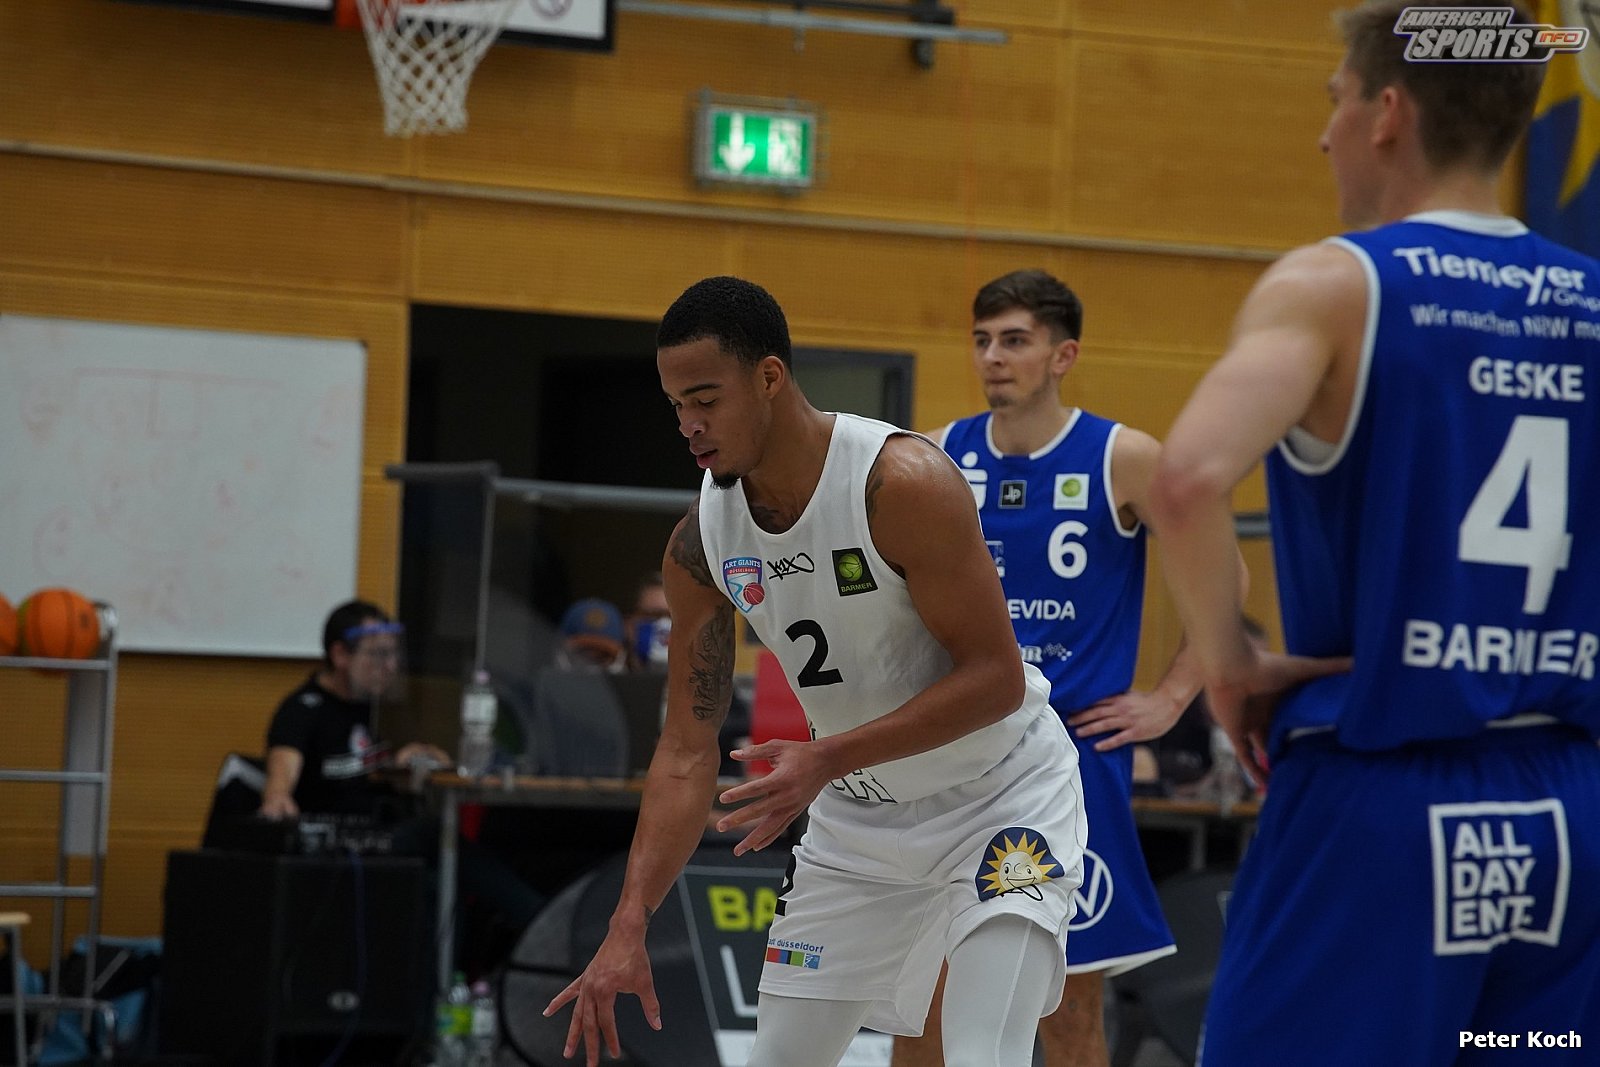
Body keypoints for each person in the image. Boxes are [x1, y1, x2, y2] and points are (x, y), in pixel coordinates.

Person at [1147, 2, 1600, 1062]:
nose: (1325, 133)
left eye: (1336, 101)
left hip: (1381, 792)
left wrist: (1229, 662)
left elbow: (1185, 479)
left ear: (1388, 112)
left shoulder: (1336, 284)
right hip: (1570, 807)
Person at [544, 276, 1088, 1067]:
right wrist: (630, 921)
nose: (689, 425)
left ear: (769, 377)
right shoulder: (701, 543)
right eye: (676, 405)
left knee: (982, 1054)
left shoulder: (900, 483)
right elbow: (686, 749)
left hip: (1000, 795)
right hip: (859, 820)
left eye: (706, 399)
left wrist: (827, 756)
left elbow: (996, 680)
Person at [897, 269, 1203, 1067]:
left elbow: (1221, 578)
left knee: (1065, 1007)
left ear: (1063, 355)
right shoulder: (935, 453)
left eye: (1014, 340)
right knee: (921, 1001)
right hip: (956, 750)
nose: (992, 357)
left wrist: (1172, 696)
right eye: (981, 340)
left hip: (1070, 755)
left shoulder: (1123, 456)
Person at [260, 599, 446, 818]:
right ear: (340, 655)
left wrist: (420, 759)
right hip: (329, 826)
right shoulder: (302, 709)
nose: (390, 666)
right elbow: (282, 770)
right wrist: (278, 795)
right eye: (378, 654)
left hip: (387, 825)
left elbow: (437, 761)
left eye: (392, 654)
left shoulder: (384, 707)